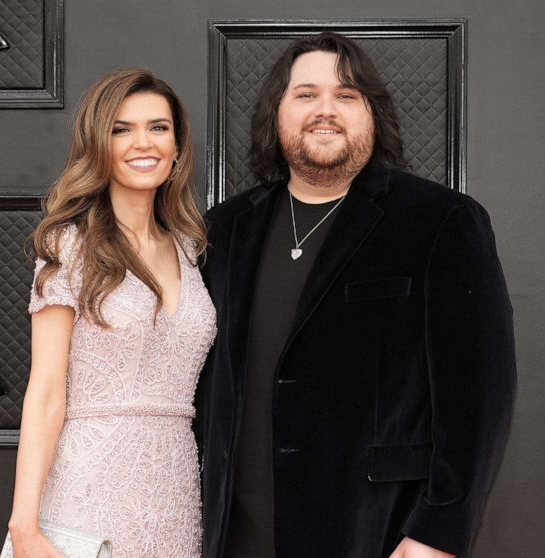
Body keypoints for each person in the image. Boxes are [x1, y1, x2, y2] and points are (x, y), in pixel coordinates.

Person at [196, 33, 516, 558]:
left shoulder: (440, 221)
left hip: (374, 532)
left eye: (346, 95)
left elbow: (479, 398)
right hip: (235, 536)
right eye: (306, 94)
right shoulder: (225, 229)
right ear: (276, 113)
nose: (326, 110)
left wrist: (439, 533)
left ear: (372, 115)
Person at [6, 69, 216, 558]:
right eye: (122, 129)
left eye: (158, 127)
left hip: (175, 492)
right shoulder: (69, 243)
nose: (143, 142)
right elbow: (45, 390)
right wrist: (24, 526)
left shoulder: (190, 245)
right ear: (98, 145)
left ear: (178, 145)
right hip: (86, 493)